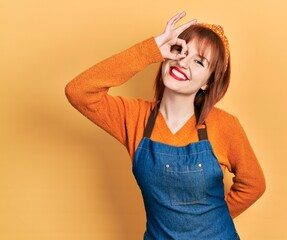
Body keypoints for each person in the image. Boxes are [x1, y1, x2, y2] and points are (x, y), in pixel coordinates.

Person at [65, 11, 265, 240]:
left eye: (198, 61)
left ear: (208, 83)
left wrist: (212, 221)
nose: (183, 61)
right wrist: (149, 50)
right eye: (180, 50)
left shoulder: (224, 125)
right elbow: (79, 91)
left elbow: (254, 185)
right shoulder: (133, 117)